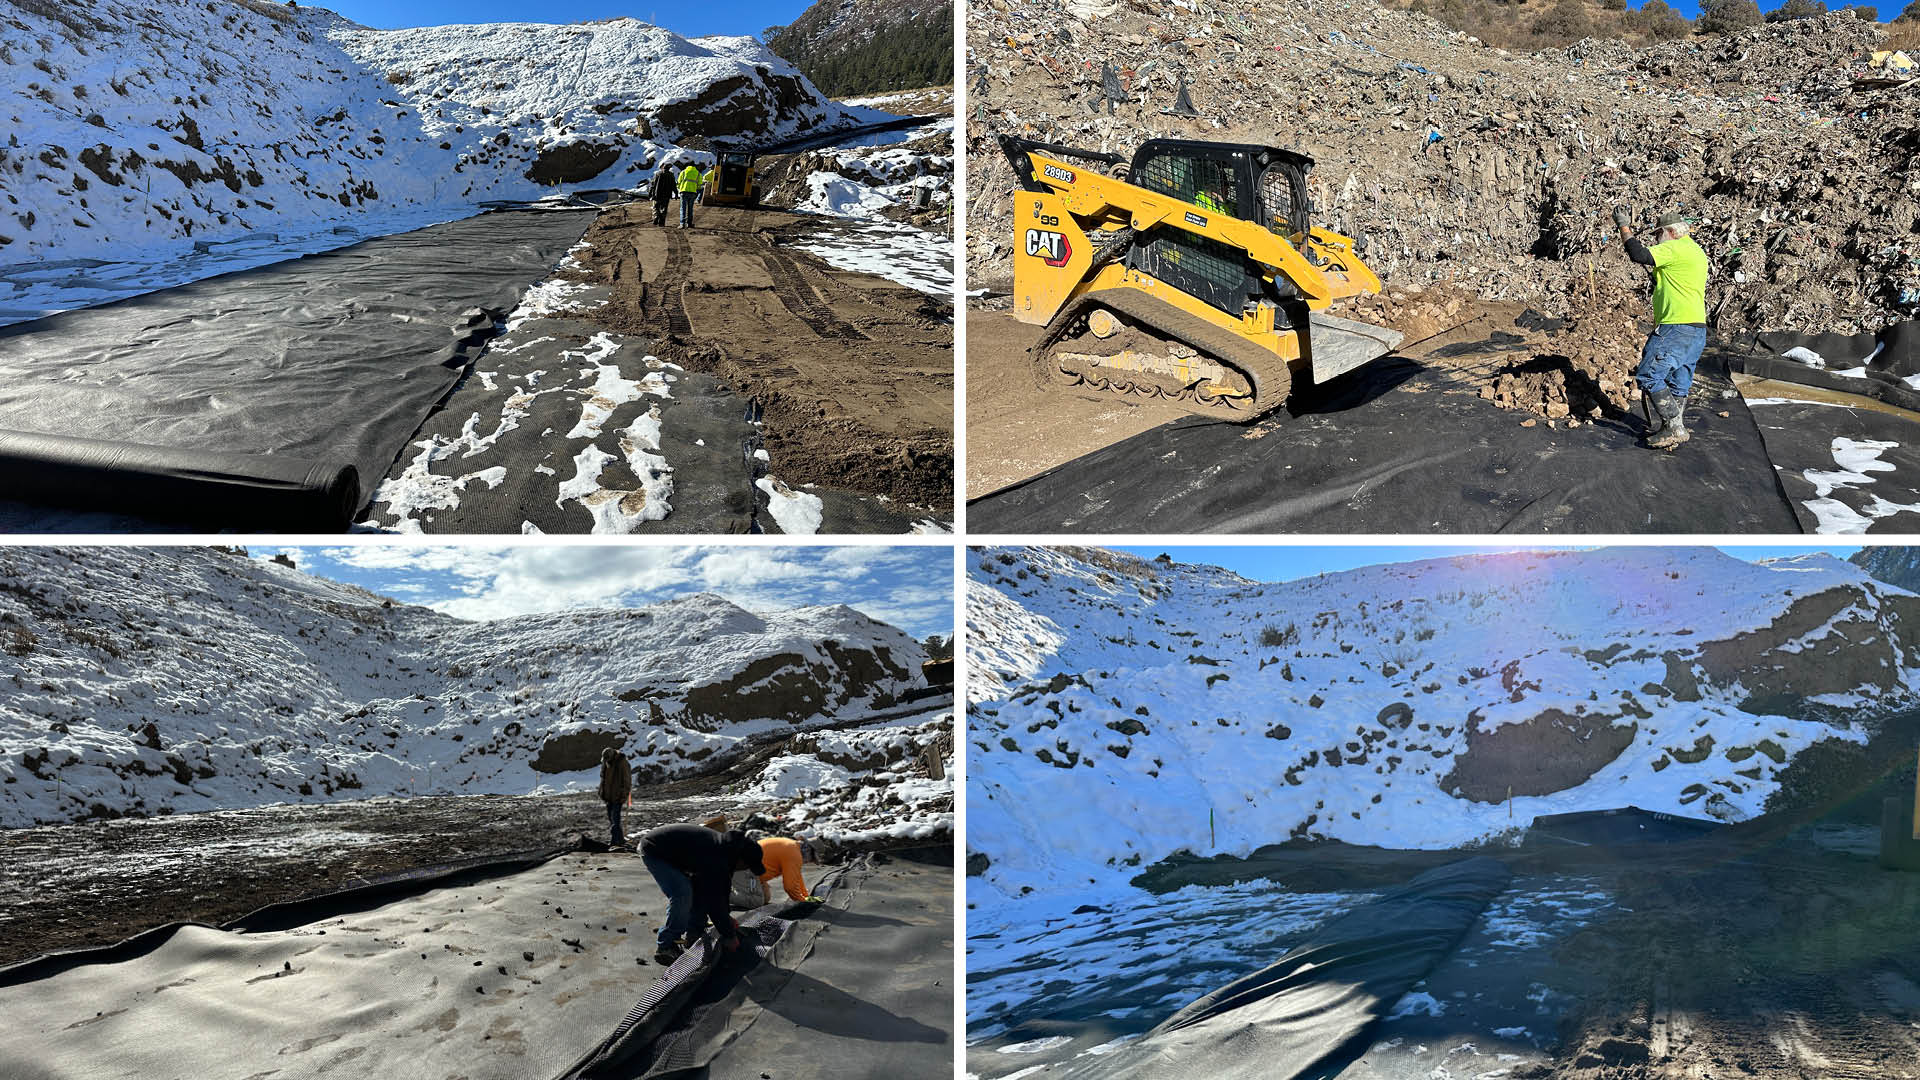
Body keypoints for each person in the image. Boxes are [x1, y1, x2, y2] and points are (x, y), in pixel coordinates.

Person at [1614, 206, 1711, 451]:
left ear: (1670, 232)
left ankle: (1674, 427)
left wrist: (1623, 227)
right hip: (1696, 329)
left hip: (1675, 326)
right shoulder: (1695, 252)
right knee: (1679, 383)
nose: (1657, 240)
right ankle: (1672, 431)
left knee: (1649, 374)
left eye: (1658, 235)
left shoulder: (1675, 247)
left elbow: (1638, 254)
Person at [638, 823, 765, 964]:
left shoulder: (725, 852)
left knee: (697, 891)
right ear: (741, 859)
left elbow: (720, 892)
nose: (744, 870)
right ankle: (666, 945)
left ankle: (694, 932)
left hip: (674, 853)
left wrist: (726, 918)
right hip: (654, 850)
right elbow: (715, 902)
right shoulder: (716, 857)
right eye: (747, 866)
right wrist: (729, 935)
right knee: (682, 893)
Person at [755, 836, 824, 905]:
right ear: (809, 851)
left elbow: (796, 876)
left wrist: (806, 896)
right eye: (811, 859)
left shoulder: (793, 847)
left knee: (765, 897)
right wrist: (802, 902)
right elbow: (790, 887)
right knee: (757, 902)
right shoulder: (794, 854)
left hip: (752, 874)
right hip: (746, 874)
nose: (808, 862)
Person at [598, 746, 631, 848]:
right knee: (612, 819)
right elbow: (603, 779)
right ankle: (620, 840)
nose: (605, 762)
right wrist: (602, 792)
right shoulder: (606, 762)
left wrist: (623, 796)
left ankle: (614, 841)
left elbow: (627, 781)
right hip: (608, 797)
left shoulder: (622, 763)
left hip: (617, 796)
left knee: (615, 820)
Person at [677, 160, 703, 227]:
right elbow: (700, 185)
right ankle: (689, 223)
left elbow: (678, 182)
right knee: (690, 208)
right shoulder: (698, 173)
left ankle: (682, 224)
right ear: (694, 166)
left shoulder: (683, 172)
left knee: (683, 208)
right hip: (692, 193)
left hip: (683, 192)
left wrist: (680, 188)